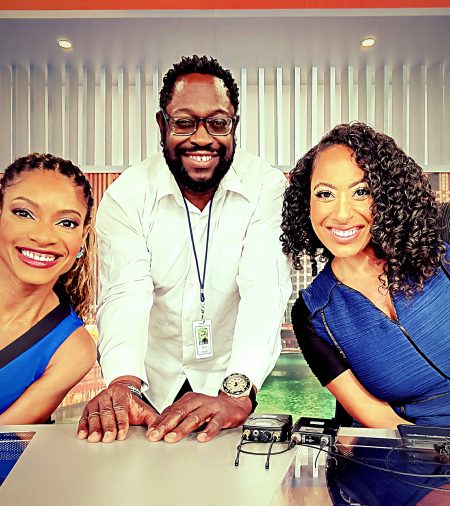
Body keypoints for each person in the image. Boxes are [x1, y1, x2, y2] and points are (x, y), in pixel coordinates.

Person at [77, 55, 292, 444]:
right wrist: (125, 381)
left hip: (232, 381)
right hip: (150, 385)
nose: (202, 138)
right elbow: (124, 293)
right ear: (162, 124)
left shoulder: (266, 187)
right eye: (184, 122)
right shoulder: (127, 196)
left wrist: (237, 391)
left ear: (234, 125)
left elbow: (265, 288)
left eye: (218, 123)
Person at [281, 122, 450, 428]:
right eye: (324, 194)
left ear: (387, 197)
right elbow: (375, 417)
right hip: (412, 458)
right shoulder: (312, 314)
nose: (342, 213)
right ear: (306, 204)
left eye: (361, 191)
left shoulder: (442, 243)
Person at [0, 153, 97, 423]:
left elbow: (5, 442)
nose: (43, 237)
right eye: (24, 213)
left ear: (82, 238)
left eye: (66, 223)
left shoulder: (73, 349)